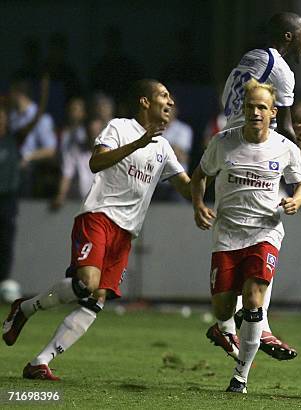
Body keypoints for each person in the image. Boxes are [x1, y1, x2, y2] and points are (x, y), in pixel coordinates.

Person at [2, 79, 191, 380]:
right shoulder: (119, 127)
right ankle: (25, 308)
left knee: (96, 299)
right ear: (144, 101)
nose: (170, 102)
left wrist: (208, 186)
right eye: (163, 96)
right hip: (99, 216)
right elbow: (95, 162)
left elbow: (187, 187)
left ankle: (41, 360)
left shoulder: (165, 148)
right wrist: (137, 144)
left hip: (127, 233)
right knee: (86, 284)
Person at [206, 11, 301, 362]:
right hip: (250, 151)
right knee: (267, 229)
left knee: (258, 237)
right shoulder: (281, 71)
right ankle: (257, 323)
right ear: (288, 36)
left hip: (231, 151)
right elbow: (280, 124)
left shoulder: (249, 60)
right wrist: (298, 173)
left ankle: (232, 323)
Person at [191, 80, 301, 393]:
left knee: (255, 295)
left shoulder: (286, 148)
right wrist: (198, 204)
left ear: (273, 112)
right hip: (227, 234)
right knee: (222, 309)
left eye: (261, 107)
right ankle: (226, 327)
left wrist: (296, 200)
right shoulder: (223, 142)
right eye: (249, 107)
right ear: (243, 110)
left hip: (265, 230)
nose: (255, 112)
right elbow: (200, 176)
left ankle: (240, 377)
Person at [0, 76, 50, 303]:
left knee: (6, 242)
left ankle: (4, 281)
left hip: (8, 198)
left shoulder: (14, 139)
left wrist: (43, 94)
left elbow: (36, 119)